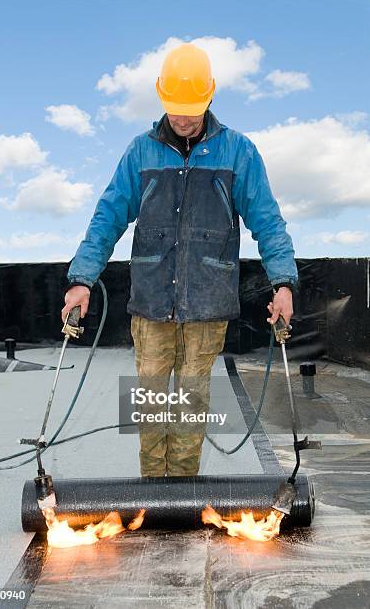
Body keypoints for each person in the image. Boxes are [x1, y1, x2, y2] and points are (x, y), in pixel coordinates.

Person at [62, 43, 298, 477]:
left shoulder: (238, 152)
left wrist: (283, 282)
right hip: (152, 302)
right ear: (160, 97)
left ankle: (183, 495)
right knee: (153, 400)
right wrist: (82, 278)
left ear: (210, 97)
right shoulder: (140, 152)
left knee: (190, 401)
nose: (184, 118)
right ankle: (153, 491)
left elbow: (268, 221)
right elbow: (107, 217)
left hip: (208, 304)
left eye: (192, 108)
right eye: (175, 108)